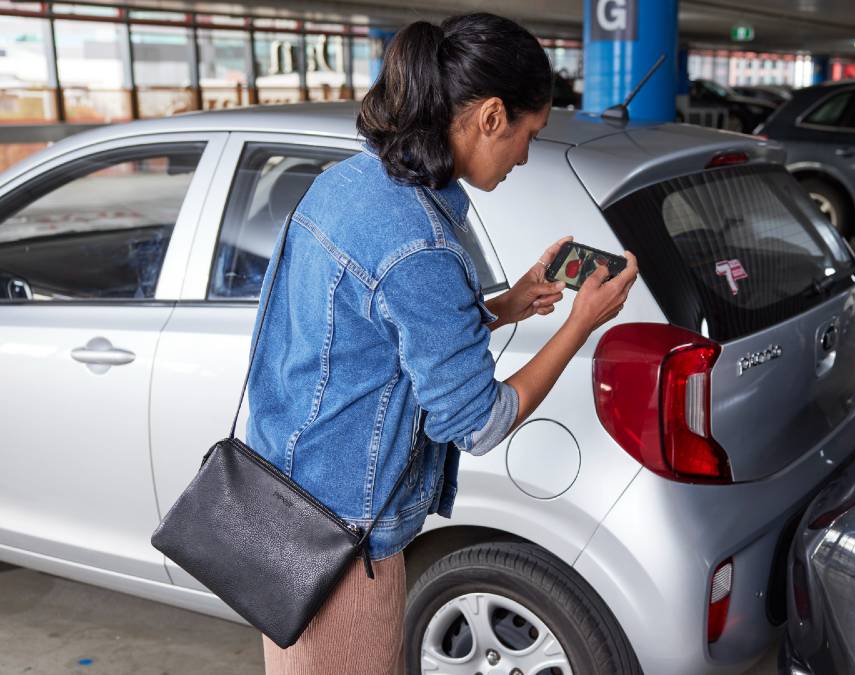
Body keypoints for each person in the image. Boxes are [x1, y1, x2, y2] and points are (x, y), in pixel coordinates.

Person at [245, 13, 638, 674]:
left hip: (283, 498)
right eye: (528, 135)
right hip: (344, 538)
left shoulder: (347, 182)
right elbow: (479, 423)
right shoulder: (420, 242)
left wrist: (504, 306)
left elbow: (384, 335)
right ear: (489, 116)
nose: (523, 156)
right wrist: (580, 324)